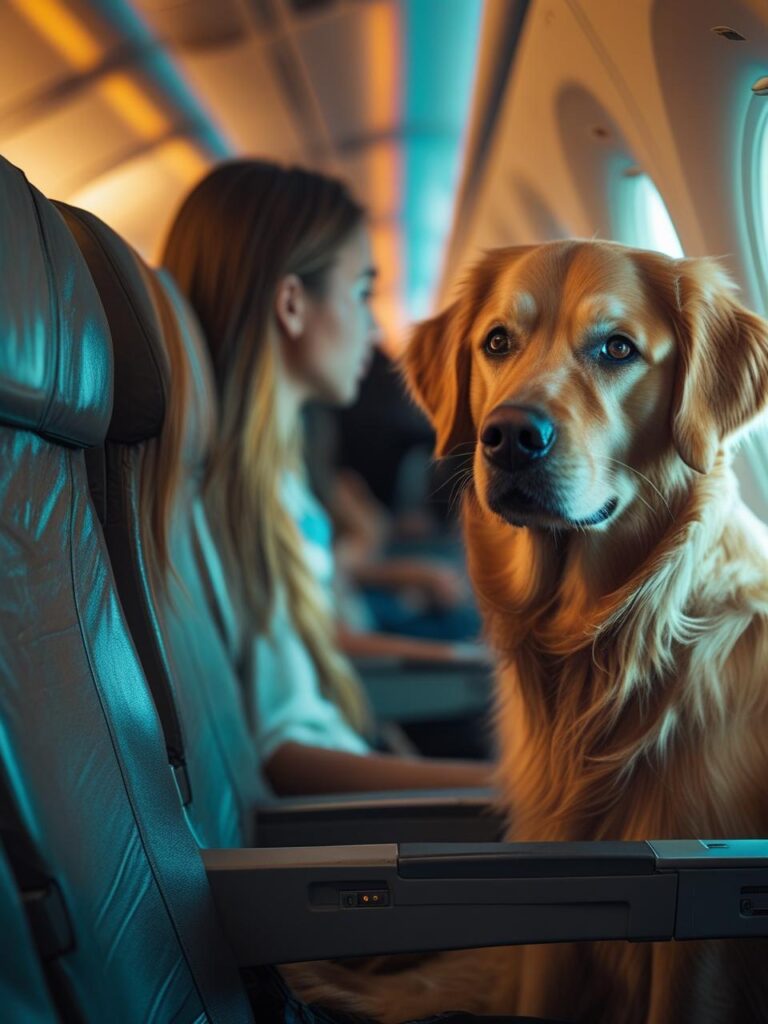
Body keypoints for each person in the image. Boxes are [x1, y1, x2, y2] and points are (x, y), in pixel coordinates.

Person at [162, 159, 492, 795]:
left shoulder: (270, 474)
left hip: (357, 739)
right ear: (291, 304)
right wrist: (502, 792)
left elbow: (309, 644)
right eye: (363, 291)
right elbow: (285, 750)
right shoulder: (229, 500)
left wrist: (464, 661)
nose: (374, 327)